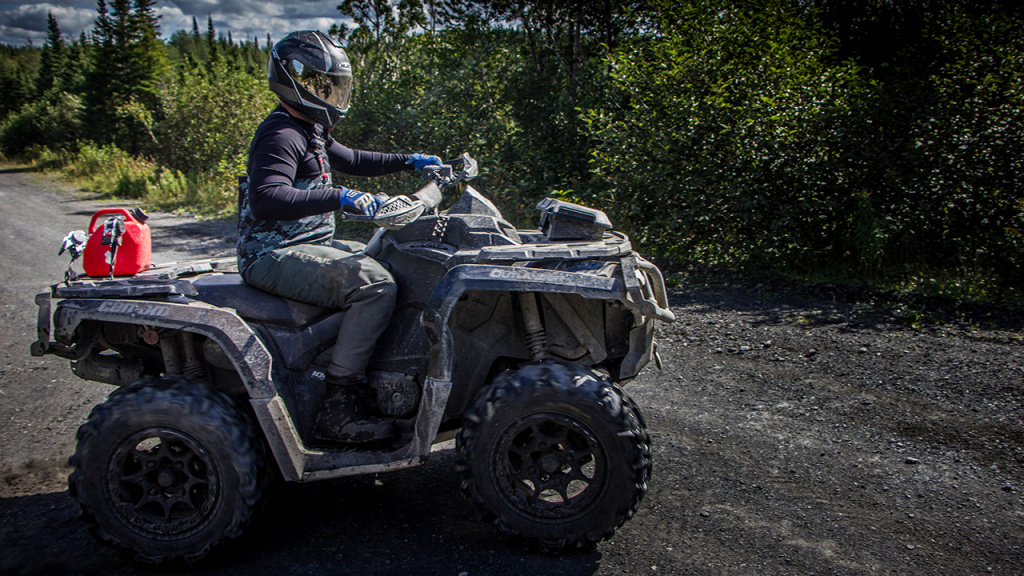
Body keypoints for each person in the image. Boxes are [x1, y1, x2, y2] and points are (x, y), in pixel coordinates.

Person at [237, 30, 441, 443]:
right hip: (273, 253)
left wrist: (410, 161)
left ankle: (361, 361)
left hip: (307, 243)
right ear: (294, 82)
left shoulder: (309, 127)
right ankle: (338, 407)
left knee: (389, 256)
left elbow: (353, 159)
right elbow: (266, 198)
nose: (331, 96)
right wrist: (342, 196)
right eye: (322, 87)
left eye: (335, 87)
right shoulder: (282, 134)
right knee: (376, 287)